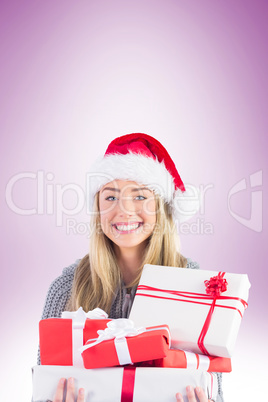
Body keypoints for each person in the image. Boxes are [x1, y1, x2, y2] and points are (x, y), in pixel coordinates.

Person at [39, 133, 223, 402]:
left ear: (160, 207)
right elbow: (41, 386)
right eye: (111, 198)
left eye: (139, 197)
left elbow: (215, 391)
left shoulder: (193, 288)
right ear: (98, 207)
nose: (124, 210)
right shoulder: (66, 289)